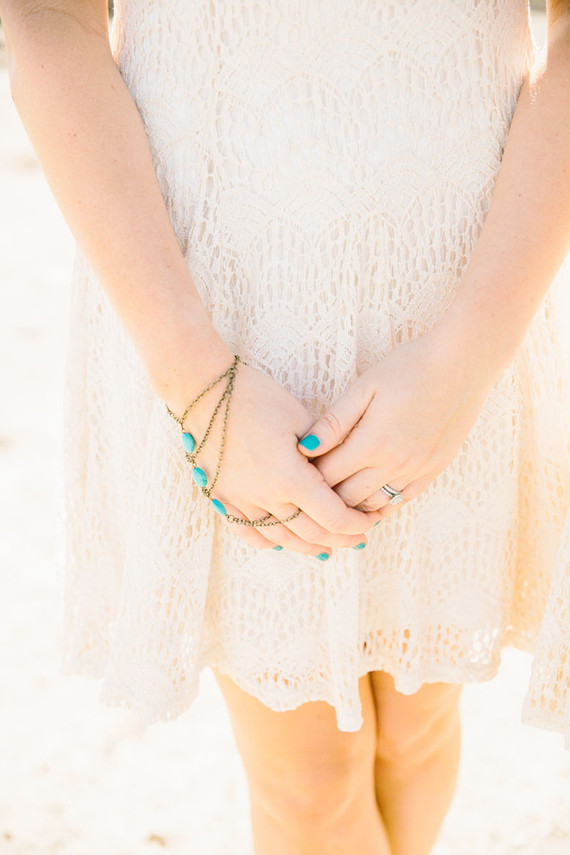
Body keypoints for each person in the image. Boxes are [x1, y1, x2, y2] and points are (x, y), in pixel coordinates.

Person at [2, 0, 570, 852]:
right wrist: (200, 385)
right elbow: (47, 17)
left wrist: (466, 359)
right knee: (308, 779)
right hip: (214, 312)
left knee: (415, 724)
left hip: (466, 294)